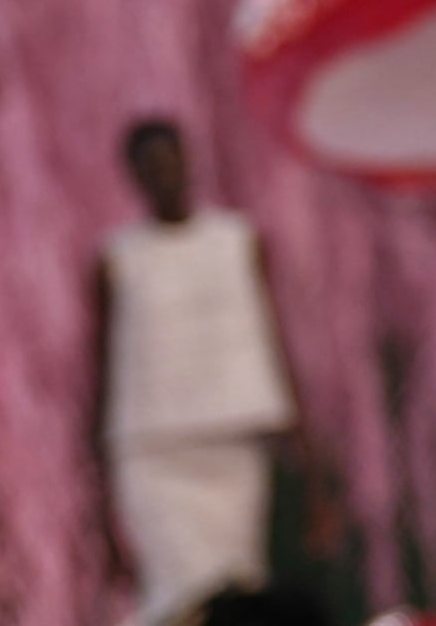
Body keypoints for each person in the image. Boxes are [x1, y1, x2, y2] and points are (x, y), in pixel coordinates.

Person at [93, 118, 300, 626]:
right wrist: (98, 482)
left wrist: (305, 449)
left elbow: (272, 341)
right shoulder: (118, 259)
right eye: (150, 165)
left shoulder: (237, 239)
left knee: (236, 587)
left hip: (230, 440)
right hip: (153, 449)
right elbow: (101, 370)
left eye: (171, 158)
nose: (164, 173)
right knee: (177, 591)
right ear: (132, 175)